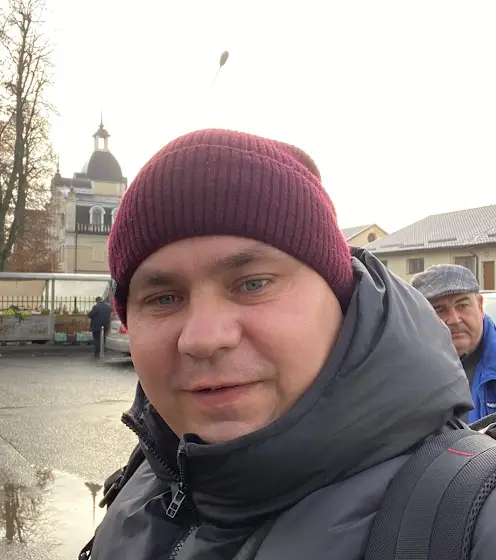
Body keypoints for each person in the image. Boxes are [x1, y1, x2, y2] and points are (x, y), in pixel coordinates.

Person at [87, 129, 496, 559]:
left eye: (254, 283)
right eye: (163, 299)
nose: (203, 339)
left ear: (342, 301)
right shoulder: (147, 477)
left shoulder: (472, 518)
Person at [411, 264, 496, 422]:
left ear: (479, 305)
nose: (454, 319)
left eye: (462, 305)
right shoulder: (407, 371)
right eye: (439, 310)